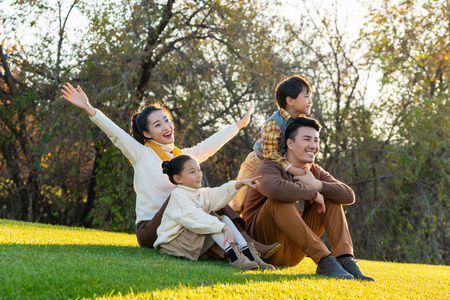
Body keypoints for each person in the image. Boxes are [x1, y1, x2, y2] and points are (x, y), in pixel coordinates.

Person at [60, 83, 280, 258]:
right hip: (151, 229)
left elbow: (209, 145)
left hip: (178, 220)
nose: (166, 127)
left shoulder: (180, 157)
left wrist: (239, 125)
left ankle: (247, 247)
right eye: (157, 125)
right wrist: (90, 109)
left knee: (213, 200)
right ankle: (250, 248)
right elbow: (115, 133)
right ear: (146, 134)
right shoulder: (140, 153)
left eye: (166, 120)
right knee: (187, 194)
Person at [241, 117, 374, 281]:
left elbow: (348, 195)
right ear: (290, 143)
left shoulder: (314, 171)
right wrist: (312, 193)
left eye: (316, 141)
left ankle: (345, 259)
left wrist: (318, 185)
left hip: (293, 252)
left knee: (332, 197)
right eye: (307, 139)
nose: (313, 145)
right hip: (265, 249)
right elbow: (275, 190)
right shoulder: (269, 166)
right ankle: (325, 261)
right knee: (279, 201)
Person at [154, 155, 274, 270]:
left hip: (188, 244)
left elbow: (216, 193)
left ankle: (248, 254)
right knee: (211, 219)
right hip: (174, 245)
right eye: (192, 172)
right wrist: (223, 228)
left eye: (199, 170)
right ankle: (235, 257)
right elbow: (194, 217)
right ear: (177, 179)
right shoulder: (178, 195)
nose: (198, 175)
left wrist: (240, 183)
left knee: (223, 218)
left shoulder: (199, 193)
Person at [230, 75, 312, 213]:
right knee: (239, 201)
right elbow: (270, 153)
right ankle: (228, 226)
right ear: (290, 100)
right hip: (258, 161)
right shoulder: (274, 123)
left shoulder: (301, 122)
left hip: (281, 164)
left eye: (310, 96)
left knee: (296, 198)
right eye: (306, 96)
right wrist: (291, 168)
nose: (310, 101)